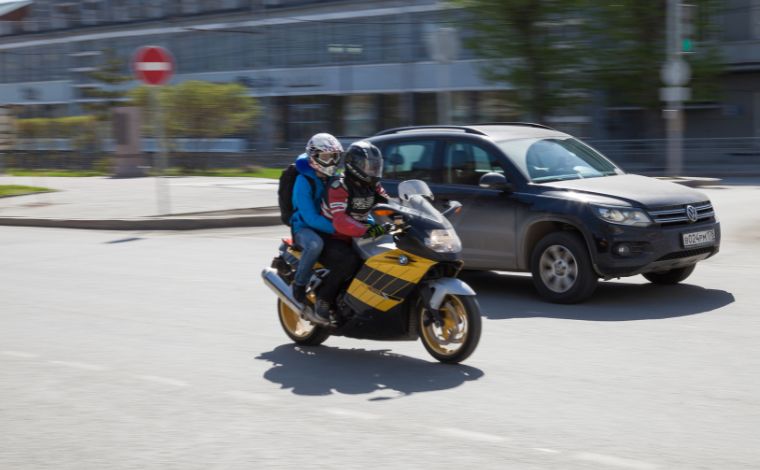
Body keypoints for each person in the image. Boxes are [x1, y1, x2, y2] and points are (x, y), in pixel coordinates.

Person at [312, 141, 389, 323]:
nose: (373, 170)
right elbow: (340, 220)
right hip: (332, 237)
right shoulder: (340, 186)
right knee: (349, 261)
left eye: (376, 166)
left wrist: (406, 216)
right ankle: (323, 300)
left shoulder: (373, 186)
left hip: (357, 235)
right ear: (354, 165)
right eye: (369, 166)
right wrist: (366, 230)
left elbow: (389, 204)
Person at [290, 133, 343, 325]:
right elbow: (310, 218)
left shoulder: (334, 179)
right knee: (314, 245)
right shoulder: (303, 181)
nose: (331, 162)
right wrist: (338, 228)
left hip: (327, 226)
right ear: (313, 156)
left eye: (334, 157)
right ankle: (299, 283)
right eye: (326, 157)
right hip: (303, 228)